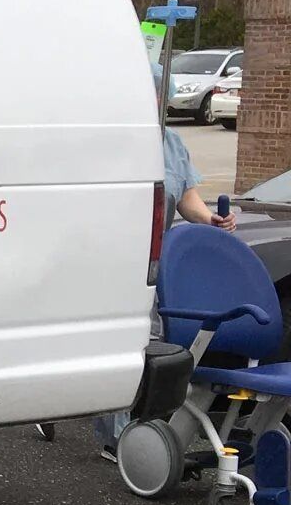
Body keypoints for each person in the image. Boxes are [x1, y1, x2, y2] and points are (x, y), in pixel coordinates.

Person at [90, 60, 238, 459]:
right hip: (114, 257)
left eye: (160, 95)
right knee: (124, 342)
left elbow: (187, 199)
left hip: (157, 262)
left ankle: (148, 432)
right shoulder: (111, 141)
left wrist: (212, 219)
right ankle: (118, 437)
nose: (156, 101)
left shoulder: (171, 144)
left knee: (154, 344)